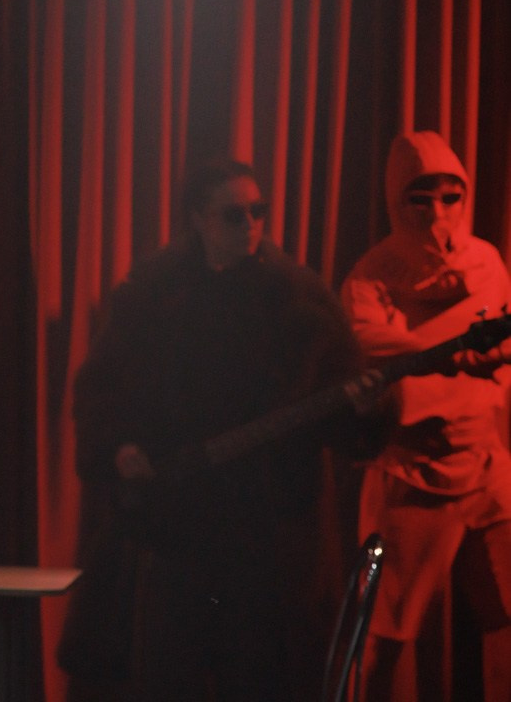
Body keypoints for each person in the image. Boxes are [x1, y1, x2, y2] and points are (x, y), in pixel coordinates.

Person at [60, 157, 366, 702]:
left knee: (261, 680)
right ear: (198, 219)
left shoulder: (301, 303)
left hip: (269, 533)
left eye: (258, 210)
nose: (250, 224)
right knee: (170, 677)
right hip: (179, 525)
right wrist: (120, 447)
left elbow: (344, 413)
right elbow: (101, 389)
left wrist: (366, 408)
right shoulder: (152, 297)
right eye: (233, 214)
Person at [340, 131, 511, 701]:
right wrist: (452, 355)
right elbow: (369, 349)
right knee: (384, 636)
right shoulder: (371, 277)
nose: (437, 212)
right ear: (397, 200)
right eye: (420, 198)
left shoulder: (485, 260)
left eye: (449, 196)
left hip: (483, 461)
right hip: (414, 475)